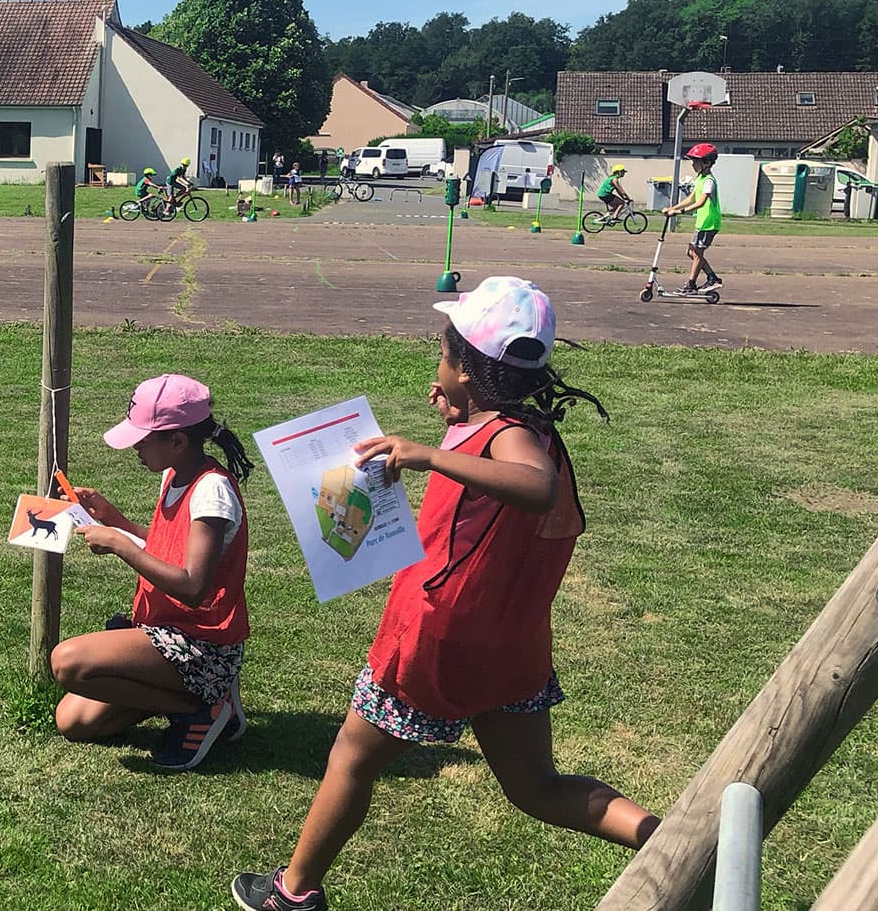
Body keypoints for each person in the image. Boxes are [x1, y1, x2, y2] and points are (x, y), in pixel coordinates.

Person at [229, 277, 654, 911]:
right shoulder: (517, 425)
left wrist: (429, 453)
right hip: (509, 644)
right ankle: (680, 841)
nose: (438, 363)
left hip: (436, 639)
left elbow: (533, 487)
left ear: (465, 365)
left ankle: (292, 894)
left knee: (351, 756)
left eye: (443, 349)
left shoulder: (509, 439)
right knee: (536, 787)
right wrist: (456, 425)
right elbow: (505, 471)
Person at [52, 373, 255, 771]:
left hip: (201, 646)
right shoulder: (175, 474)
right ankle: (200, 707)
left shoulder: (211, 492)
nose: (135, 449)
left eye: (142, 441)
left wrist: (120, 545)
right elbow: (170, 549)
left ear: (177, 441)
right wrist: (114, 518)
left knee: (67, 662)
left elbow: (194, 585)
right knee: (73, 721)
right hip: (165, 631)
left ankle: (205, 707)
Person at [662, 144, 724, 294]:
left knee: (696, 253)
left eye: (696, 161)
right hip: (702, 222)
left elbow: (700, 202)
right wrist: (673, 208)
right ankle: (712, 277)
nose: (693, 164)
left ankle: (691, 285)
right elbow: (691, 198)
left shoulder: (709, 181)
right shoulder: (700, 178)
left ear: (707, 163)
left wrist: (679, 212)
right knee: (691, 252)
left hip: (709, 222)